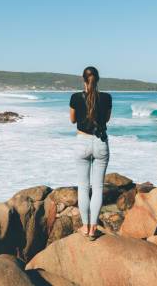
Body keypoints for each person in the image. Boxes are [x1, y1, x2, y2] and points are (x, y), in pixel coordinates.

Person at [69, 66, 112, 240]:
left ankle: (85, 227)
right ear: (98, 79)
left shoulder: (75, 97)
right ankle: (94, 229)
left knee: (83, 187)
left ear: (83, 80)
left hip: (82, 142)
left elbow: (72, 120)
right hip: (101, 143)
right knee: (98, 188)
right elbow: (107, 119)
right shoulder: (107, 98)